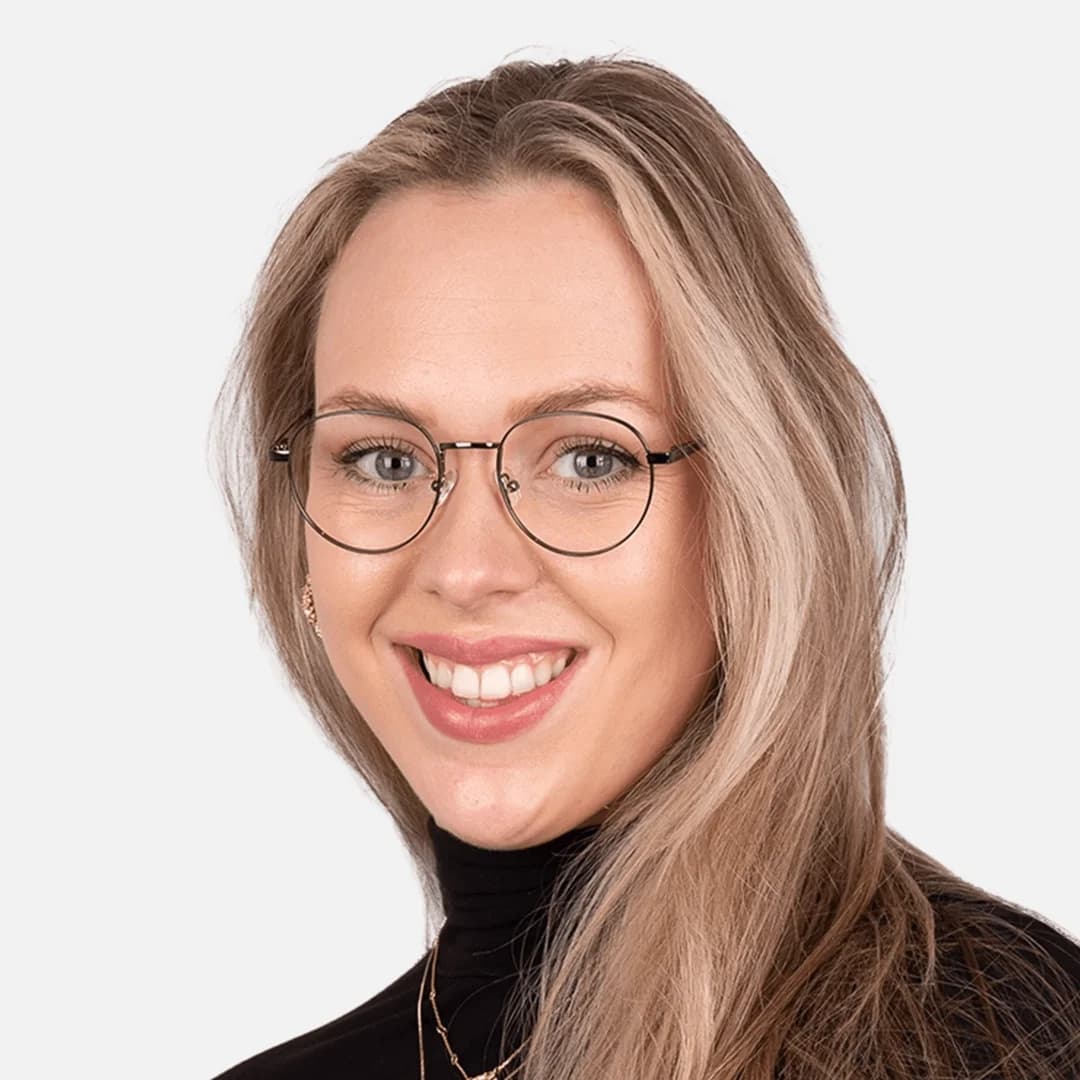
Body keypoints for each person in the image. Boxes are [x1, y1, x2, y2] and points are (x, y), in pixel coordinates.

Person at [209, 54, 1080, 1080]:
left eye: (590, 459)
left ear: (757, 513)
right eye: (385, 461)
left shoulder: (997, 1042)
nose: (465, 567)